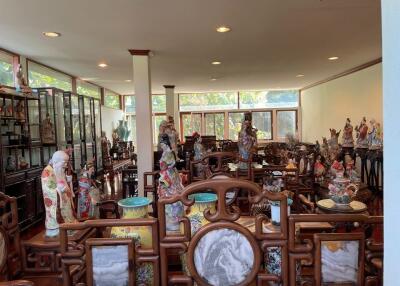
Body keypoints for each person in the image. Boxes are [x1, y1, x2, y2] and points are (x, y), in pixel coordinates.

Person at [41, 150, 77, 237]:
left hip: (65, 199)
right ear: (56, 161)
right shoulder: (47, 171)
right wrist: (60, 189)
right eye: (64, 163)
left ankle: (69, 225)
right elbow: (48, 188)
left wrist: (66, 185)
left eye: (66, 163)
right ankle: (58, 228)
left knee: (69, 216)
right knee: (57, 217)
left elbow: (63, 180)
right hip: (57, 200)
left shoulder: (59, 170)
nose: (65, 165)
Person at [157, 134, 184, 231]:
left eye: (163, 144)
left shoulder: (170, 153)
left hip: (170, 175)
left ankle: (175, 219)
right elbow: (162, 164)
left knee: (174, 194)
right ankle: (169, 219)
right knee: (165, 193)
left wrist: (167, 166)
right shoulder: (164, 153)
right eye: (161, 145)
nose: (162, 146)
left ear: (166, 144)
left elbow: (173, 163)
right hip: (165, 174)